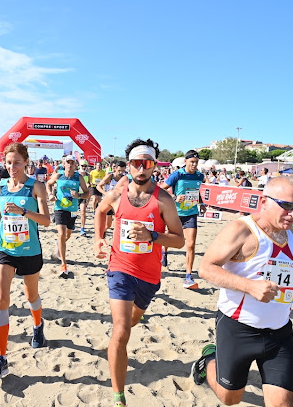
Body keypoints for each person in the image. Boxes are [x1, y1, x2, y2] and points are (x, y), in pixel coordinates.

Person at [192, 176, 293, 406]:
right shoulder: (242, 229)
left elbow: (272, 266)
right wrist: (249, 287)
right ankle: (209, 359)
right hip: (239, 328)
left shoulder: (290, 232)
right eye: (287, 206)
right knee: (230, 398)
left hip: (280, 332)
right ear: (264, 201)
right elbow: (206, 268)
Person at [93, 139, 184, 407]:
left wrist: (153, 235)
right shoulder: (118, 194)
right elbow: (100, 211)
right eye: (136, 163)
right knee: (121, 331)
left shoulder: (163, 200)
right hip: (119, 268)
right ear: (129, 166)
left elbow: (179, 240)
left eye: (147, 164)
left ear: (154, 166)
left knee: (130, 323)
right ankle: (118, 396)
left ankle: (116, 346)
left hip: (149, 275)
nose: (141, 169)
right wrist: (98, 239)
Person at [0, 142, 50, 378]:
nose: (12, 167)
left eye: (17, 163)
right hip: (5, 248)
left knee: (31, 295)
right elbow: (3, 210)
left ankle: (38, 325)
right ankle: (0, 358)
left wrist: (24, 212)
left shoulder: (36, 186)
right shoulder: (2, 185)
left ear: (26, 163)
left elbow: (46, 221)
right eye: (9, 163)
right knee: (1, 298)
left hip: (30, 250)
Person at [159, 150, 207, 289]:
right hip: (175, 212)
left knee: (191, 244)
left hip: (191, 213)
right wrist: (175, 198)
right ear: (185, 161)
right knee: (169, 237)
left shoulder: (199, 176)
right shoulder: (178, 174)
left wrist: (201, 203)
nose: (194, 165)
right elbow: (161, 190)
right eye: (192, 162)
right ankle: (165, 252)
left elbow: (196, 192)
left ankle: (188, 276)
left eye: (196, 162)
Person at [46, 155, 89, 278]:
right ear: (64, 164)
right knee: (61, 234)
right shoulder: (58, 175)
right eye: (68, 162)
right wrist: (50, 195)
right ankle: (63, 265)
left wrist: (79, 195)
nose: (70, 165)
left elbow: (87, 193)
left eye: (72, 163)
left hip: (73, 210)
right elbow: (48, 184)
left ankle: (59, 245)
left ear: (75, 165)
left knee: (67, 235)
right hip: (60, 208)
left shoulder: (78, 177)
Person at [96, 161, 127, 237]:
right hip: (108, 202)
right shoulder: (110, 177)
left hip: (119, 203)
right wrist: (106, 193)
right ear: (115, 168)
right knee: (108, 225)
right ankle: (103, 232)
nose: (121, 172)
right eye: (119, 170)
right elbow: (98, 186)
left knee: (118, 222)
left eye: (123, 171)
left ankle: (116, 239)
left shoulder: (124, 178)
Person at [77, 160, 91, 236]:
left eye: (85, 166)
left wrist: (88, 185)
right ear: (79, 165)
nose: (84, 167)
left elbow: (89, 182)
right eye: (82, 166)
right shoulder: (76, 174)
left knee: (83, 212)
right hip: (75, 195)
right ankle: (72, 224)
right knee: (73, 213)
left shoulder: (87, 175)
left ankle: (82, 228)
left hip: (83, 195)